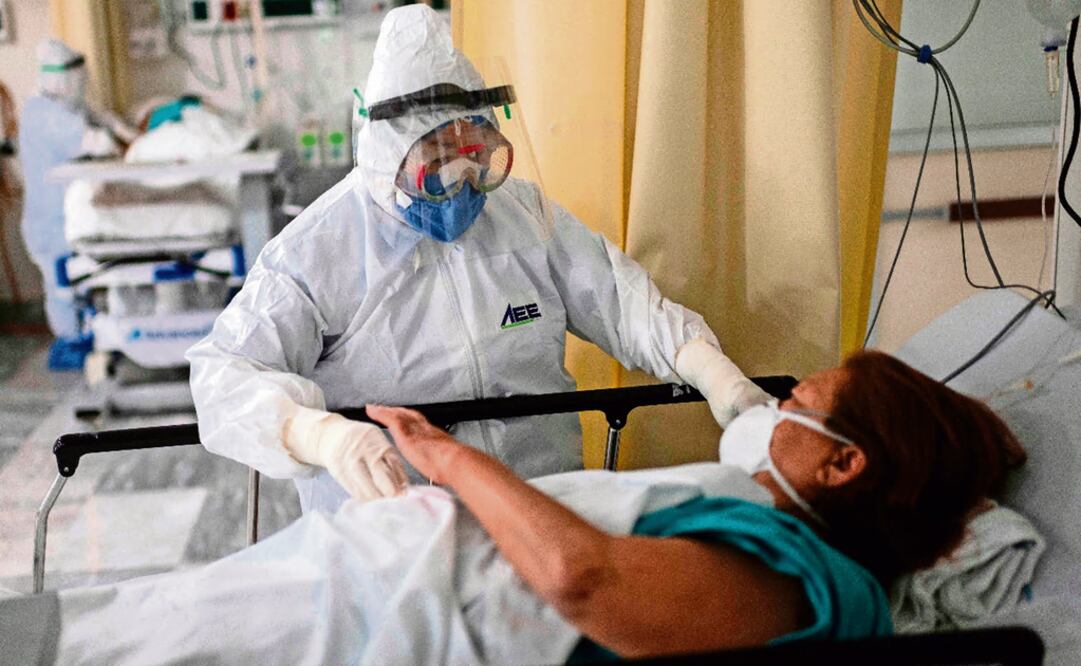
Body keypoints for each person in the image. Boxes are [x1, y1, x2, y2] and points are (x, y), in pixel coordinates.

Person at [21, 351, 1025, 664]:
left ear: (845, 465)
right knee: (106, 629)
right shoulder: (760, 513)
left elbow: (581, 580)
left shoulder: (811, 580)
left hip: (371, 625)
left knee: (102, 644)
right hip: (360, 583)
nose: (774, 404)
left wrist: (452, 459)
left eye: (801, 402)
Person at [186, 4, 768, 513]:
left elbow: (623, 304)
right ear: (389, 155)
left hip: (545, 510)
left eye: (476, 150)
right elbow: (223, 375)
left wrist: (713, 374)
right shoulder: (318, 249)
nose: (464, 176)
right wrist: (316, 436)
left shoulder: (522, 214)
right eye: (439, 155)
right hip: (396, 528)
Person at [18, 39, 136, 370]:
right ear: (63, 80)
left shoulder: (65, 108)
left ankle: (87, 338)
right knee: (62, 289)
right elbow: (92, 139)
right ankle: (71, 344)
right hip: (50, 223)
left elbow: (100, 119)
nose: (81, 87)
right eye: (77, 81)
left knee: (78, 285)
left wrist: (123, 128)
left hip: (68, 220)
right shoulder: (43, 114)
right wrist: (134, 144)